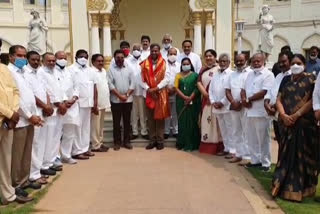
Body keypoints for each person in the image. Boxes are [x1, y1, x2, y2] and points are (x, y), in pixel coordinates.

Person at [272, 54, 319, 202]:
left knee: (302, 158)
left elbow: (313, 99)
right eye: (293, 63)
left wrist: (297, 114)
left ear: (304, 65)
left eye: (298, 63)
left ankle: (302, 189)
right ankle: (281, 186)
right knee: (286, 157)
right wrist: (284, 115)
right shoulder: (287, 81)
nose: (295, 66)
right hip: (287, 125)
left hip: (304, 126)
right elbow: (278, 99)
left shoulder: (311, 80)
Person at [7, 46, 42, 198]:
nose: (22, 58)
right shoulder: (9, 73)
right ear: (11, 57)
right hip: (20, 120)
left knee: (27, 152)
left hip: (30, 119)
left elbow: (30, 95)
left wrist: (34, 114)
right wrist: (29, 115)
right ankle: (15, 184)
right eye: (18, 55)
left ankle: (24, 180)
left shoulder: (23, 72)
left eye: (23, 56)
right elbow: (17, 99)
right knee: (17, 154)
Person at [0, 46, 33, 205]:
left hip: (8, 121)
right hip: (6, 116)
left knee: (6, 160)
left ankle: (8, 195)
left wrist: (13, 113)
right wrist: (9, 113)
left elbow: (15, 91)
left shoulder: (4, 69)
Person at [25, 51, 55, 183]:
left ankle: (39, 169)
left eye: (38, 60)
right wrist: (44, 106)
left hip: (44, 112)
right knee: (35, 144)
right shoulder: (25, 73)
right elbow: (31, 94)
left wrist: (48, 105)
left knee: (42, 142)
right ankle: (33, 174)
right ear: (28, 60)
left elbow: (45, 91)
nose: (36, 62)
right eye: (33, 60)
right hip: (35, 112)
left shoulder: (39, 73)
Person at [241, 53, 275, 172]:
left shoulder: (268, 75)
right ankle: (255, 161)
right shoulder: (249, 74)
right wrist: (244, 100)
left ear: (263, 61)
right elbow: (243, 89)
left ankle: (266, 163)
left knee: (263, 139)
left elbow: (264, 92)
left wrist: (248, 99)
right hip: (249, 111)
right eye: (254, 61)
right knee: (251, 138)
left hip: (261, 111)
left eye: (258, 61)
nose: (256, 63)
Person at [69, 49, 98, 159]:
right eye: (81, 56)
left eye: (86, 57)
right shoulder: (71, 70)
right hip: (77, 104)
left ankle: (85, 148)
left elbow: (95, 87)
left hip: (88, 103)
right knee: (77, 128)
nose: (83, 59)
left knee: (86, 128)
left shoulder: (90, 70)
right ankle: (77, 151)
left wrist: (95, 103)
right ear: (76, 57)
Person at [140, 43, 170, 150]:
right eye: (152, 51)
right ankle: (152, 140)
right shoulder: (144, 64)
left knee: (160, 118)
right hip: (148, 95)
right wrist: (149, 89)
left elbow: (167, 78)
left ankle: (160, 140)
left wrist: (156, 88)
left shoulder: (164, 63)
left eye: (156, 50)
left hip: (160, 94)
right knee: (151, 119)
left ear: (159, 51)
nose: (154, 52)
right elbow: (141, 80)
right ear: (150, 51)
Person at [225, 54, 250, 163]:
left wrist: (241, 102)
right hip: (234, 106)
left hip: (246, 106)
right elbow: (227, 90)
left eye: (241, 60)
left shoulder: (250, 73)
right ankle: (238, 154)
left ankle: (247, 156)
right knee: (236, 131)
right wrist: (233, 102)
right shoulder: (231, 75)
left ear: (246, 61)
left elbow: (250, 90)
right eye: (237, 61)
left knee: (246, 131)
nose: (239, 62)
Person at [108, 49, 135, 150]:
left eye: (122, 57)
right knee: (116, 122)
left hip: (128, 100)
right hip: (116, 100)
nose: (120, 59)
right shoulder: (111, 69)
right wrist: (120, 96)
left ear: (124, 58)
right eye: (117, 57)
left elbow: (133, 83)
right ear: (114, 58)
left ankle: (127, 141)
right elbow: (110, 84)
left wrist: (126, 95)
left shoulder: (129, 69)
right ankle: (117, 142)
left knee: (127, 121)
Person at [197, 49, 223, 155]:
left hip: (216, 101)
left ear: (215, 57)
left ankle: (220, 147)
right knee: (207, 122)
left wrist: (211, 97)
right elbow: (198, 82)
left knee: (217, 124)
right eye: (206, 56)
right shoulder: (203, 70)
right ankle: (208, 146)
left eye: (210, 56)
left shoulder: (220, 69)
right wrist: (206, 95)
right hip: (206, 101)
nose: (208, 58)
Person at [57, 51, 81, 163]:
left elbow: (77, 86)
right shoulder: (52, 72)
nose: (63, 60)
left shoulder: (69, 71)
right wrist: (64, 101)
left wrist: (74, 98)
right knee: (56, 134)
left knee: (70, 133)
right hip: (59, 106)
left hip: (72, 106)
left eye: (65, 58)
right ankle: (55, 157)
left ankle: (66, 155)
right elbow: (54, 88)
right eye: (60, 58)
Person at [264, 52, 292, 146]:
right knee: (280, 141)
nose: (281, 64)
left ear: (290, 61)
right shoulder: (279, 76)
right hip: (274, 114)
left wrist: (275, 106)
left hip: (284, 113)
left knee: (287, 143)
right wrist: (266, 103)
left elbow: (286, 95)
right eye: (279, 62)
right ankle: (280, 161)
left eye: (284, 61)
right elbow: (271, 91)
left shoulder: (292, 76)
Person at [209, 53, 233, 158]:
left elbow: (231, 91)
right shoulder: (215, 74)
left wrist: (222, 102)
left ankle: (233, 150)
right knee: (223, 129)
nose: (222, 63)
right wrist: (213, 101)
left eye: (225, 61)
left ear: (229, 62)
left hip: (226, 106)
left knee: (230, 129)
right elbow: (210, 89)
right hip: (216, 106)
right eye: (221, 61)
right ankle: (226, 148)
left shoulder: (231, 74)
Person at [174, 57, 201, 151]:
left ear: (191, 65)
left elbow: (197, 88)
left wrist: (190, 97)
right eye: (184, 64)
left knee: (191, 122)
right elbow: (176, 88)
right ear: (181, 65)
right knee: (182, 122)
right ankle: (182, 143)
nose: (186, 65)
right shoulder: (178, 75)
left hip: (193, 101)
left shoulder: (195, 75)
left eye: (187, 64)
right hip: (181, 101)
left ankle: (192, 144)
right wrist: (185, 97)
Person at [128, 43, 148, 140]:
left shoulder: (145, 61)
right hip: (131, 92)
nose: (136, 50)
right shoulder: (127, 61)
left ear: (141, 50)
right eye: (134, 49)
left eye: (138, 49)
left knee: (143, 113)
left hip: (142, 91)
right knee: (134, 113)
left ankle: (144, 131)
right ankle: (135, 131)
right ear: (132, 51)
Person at [90, 54, 110, 152]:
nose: (101, 63)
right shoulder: (91, 72)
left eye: (102, 61)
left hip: (103, 102)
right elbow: (92, 89)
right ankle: (95, 145)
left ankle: (100, 142)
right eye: (98, 61)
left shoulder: (103, 71)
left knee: (100, 125)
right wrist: (94, 104)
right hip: (96, 104)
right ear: (93, 62)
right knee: (95, 126)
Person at [164, 47, 180, 139]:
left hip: (176, 92)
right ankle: (166, 131)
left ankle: (175, 130)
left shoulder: (179, 65)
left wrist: (175, 88)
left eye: (174, 54)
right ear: (167, 55)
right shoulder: (163, 65)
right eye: (171, 54)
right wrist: (166, 88)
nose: (172, 56)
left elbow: (181, 77)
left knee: (175, 113)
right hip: (165, 92)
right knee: (166, 112)